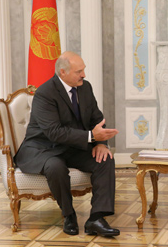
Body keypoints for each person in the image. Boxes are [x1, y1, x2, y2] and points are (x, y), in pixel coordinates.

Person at [15, 51, 120, 237]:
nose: (84, 75)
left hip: (72, 146)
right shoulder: (45, 93)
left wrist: (101, 142)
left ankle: (96, 218)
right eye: (79, 71)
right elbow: (53, 132)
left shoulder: (85, 88)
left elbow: (97, 119)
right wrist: (90, 137)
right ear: (62, 72)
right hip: (43, 148)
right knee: (55, 166)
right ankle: (69, 215)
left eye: (84, 70)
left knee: (105, 160)